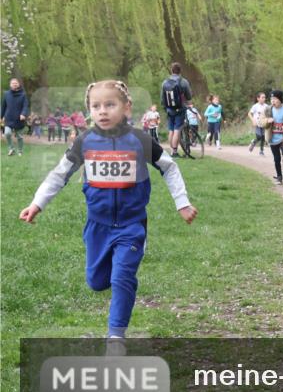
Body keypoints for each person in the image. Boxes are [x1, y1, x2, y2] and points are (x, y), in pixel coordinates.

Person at [18, 80, 197, 341]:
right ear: (89, 110)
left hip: (131, 225)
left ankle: (116, 337)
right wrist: (37, 204)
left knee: (122, 277)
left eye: (110, 105)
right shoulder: (84, 142)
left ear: (126, 108)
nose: (102, 111)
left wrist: (182, 202)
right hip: (97, 226)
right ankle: (113, 276)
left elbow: (169, 167)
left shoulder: (139, 140)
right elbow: (59, 175)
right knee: (97, 282)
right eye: (96, 106)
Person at [160, 63, 192, 158]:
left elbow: (162, 99)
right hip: (180, 109)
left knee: (171, 130)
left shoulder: (165, 82)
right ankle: (174, 151)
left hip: (169, 109)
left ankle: (171, 151)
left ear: (171, 70)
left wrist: (166, 108)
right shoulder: (183, 82)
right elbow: (189, 96)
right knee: (177, 130)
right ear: (180, 71)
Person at [2, 77, 30, 156]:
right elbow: (3, 106)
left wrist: (23, 114)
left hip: (19, 119)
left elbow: (25, 106)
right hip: (9, 118)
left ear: (18, 84)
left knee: (19, 136)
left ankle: (20, 151)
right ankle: (11, 149)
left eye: (16, 83)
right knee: (7, 133)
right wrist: (1, 116)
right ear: (10, 85)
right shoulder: (6, 94)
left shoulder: (23, 95)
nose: (14, 84)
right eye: (13, 83)